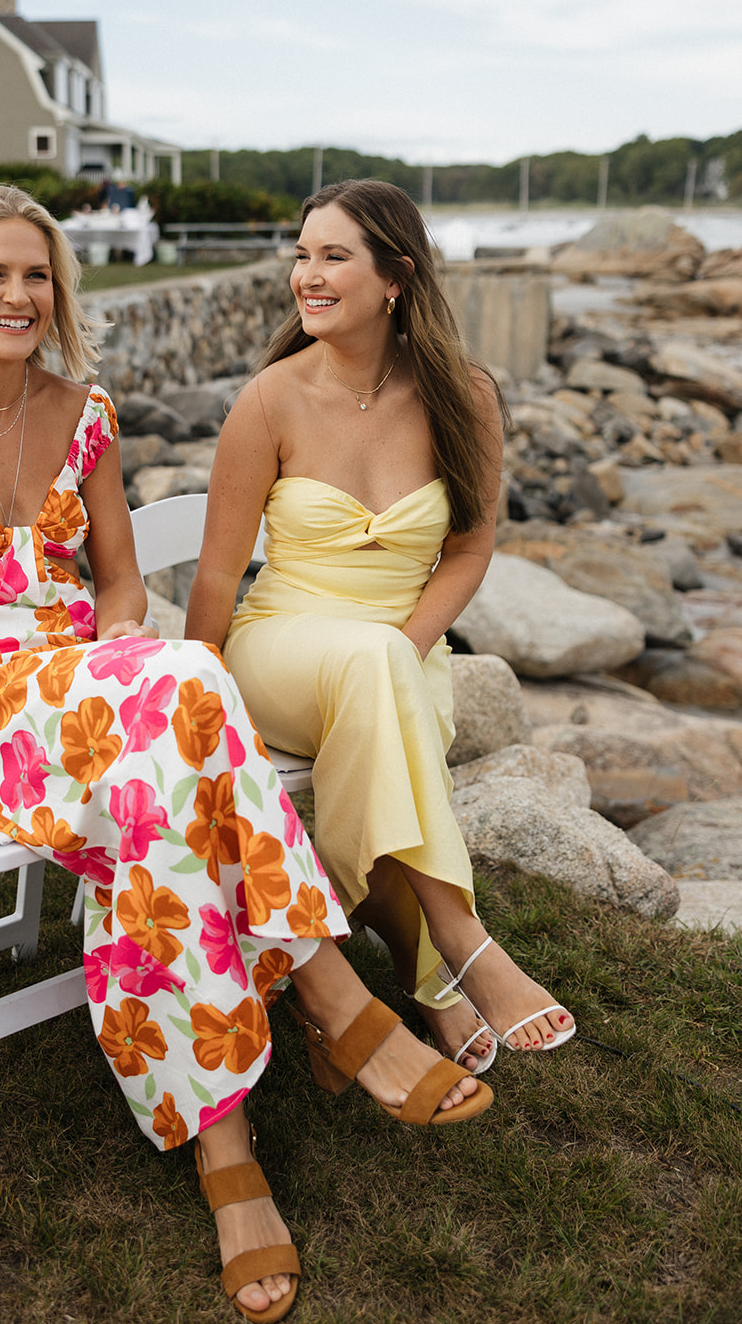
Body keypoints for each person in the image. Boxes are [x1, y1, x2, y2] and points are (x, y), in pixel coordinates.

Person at [0, 183, 492, 1324]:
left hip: (97, 693)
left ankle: (225, 1143)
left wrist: (117, 652)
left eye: (36, 274)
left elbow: (122, 585)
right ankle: (327, 996)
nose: (17, 294)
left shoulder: (82, 411)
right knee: (184, 684)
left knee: (163, 751)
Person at [185, 179, 575, 1076]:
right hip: (281, 646)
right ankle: (459, 935)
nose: (306, 276)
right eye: (300, 255)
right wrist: (195, 688)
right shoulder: (269, 400)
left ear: (395, 276)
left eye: (333, 257)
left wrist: (404, 648)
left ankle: (423, 983)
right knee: (370, 672)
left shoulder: (462, 396)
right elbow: (214, 571)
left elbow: (469, 552)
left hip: (400, 657)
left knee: (377, 678)